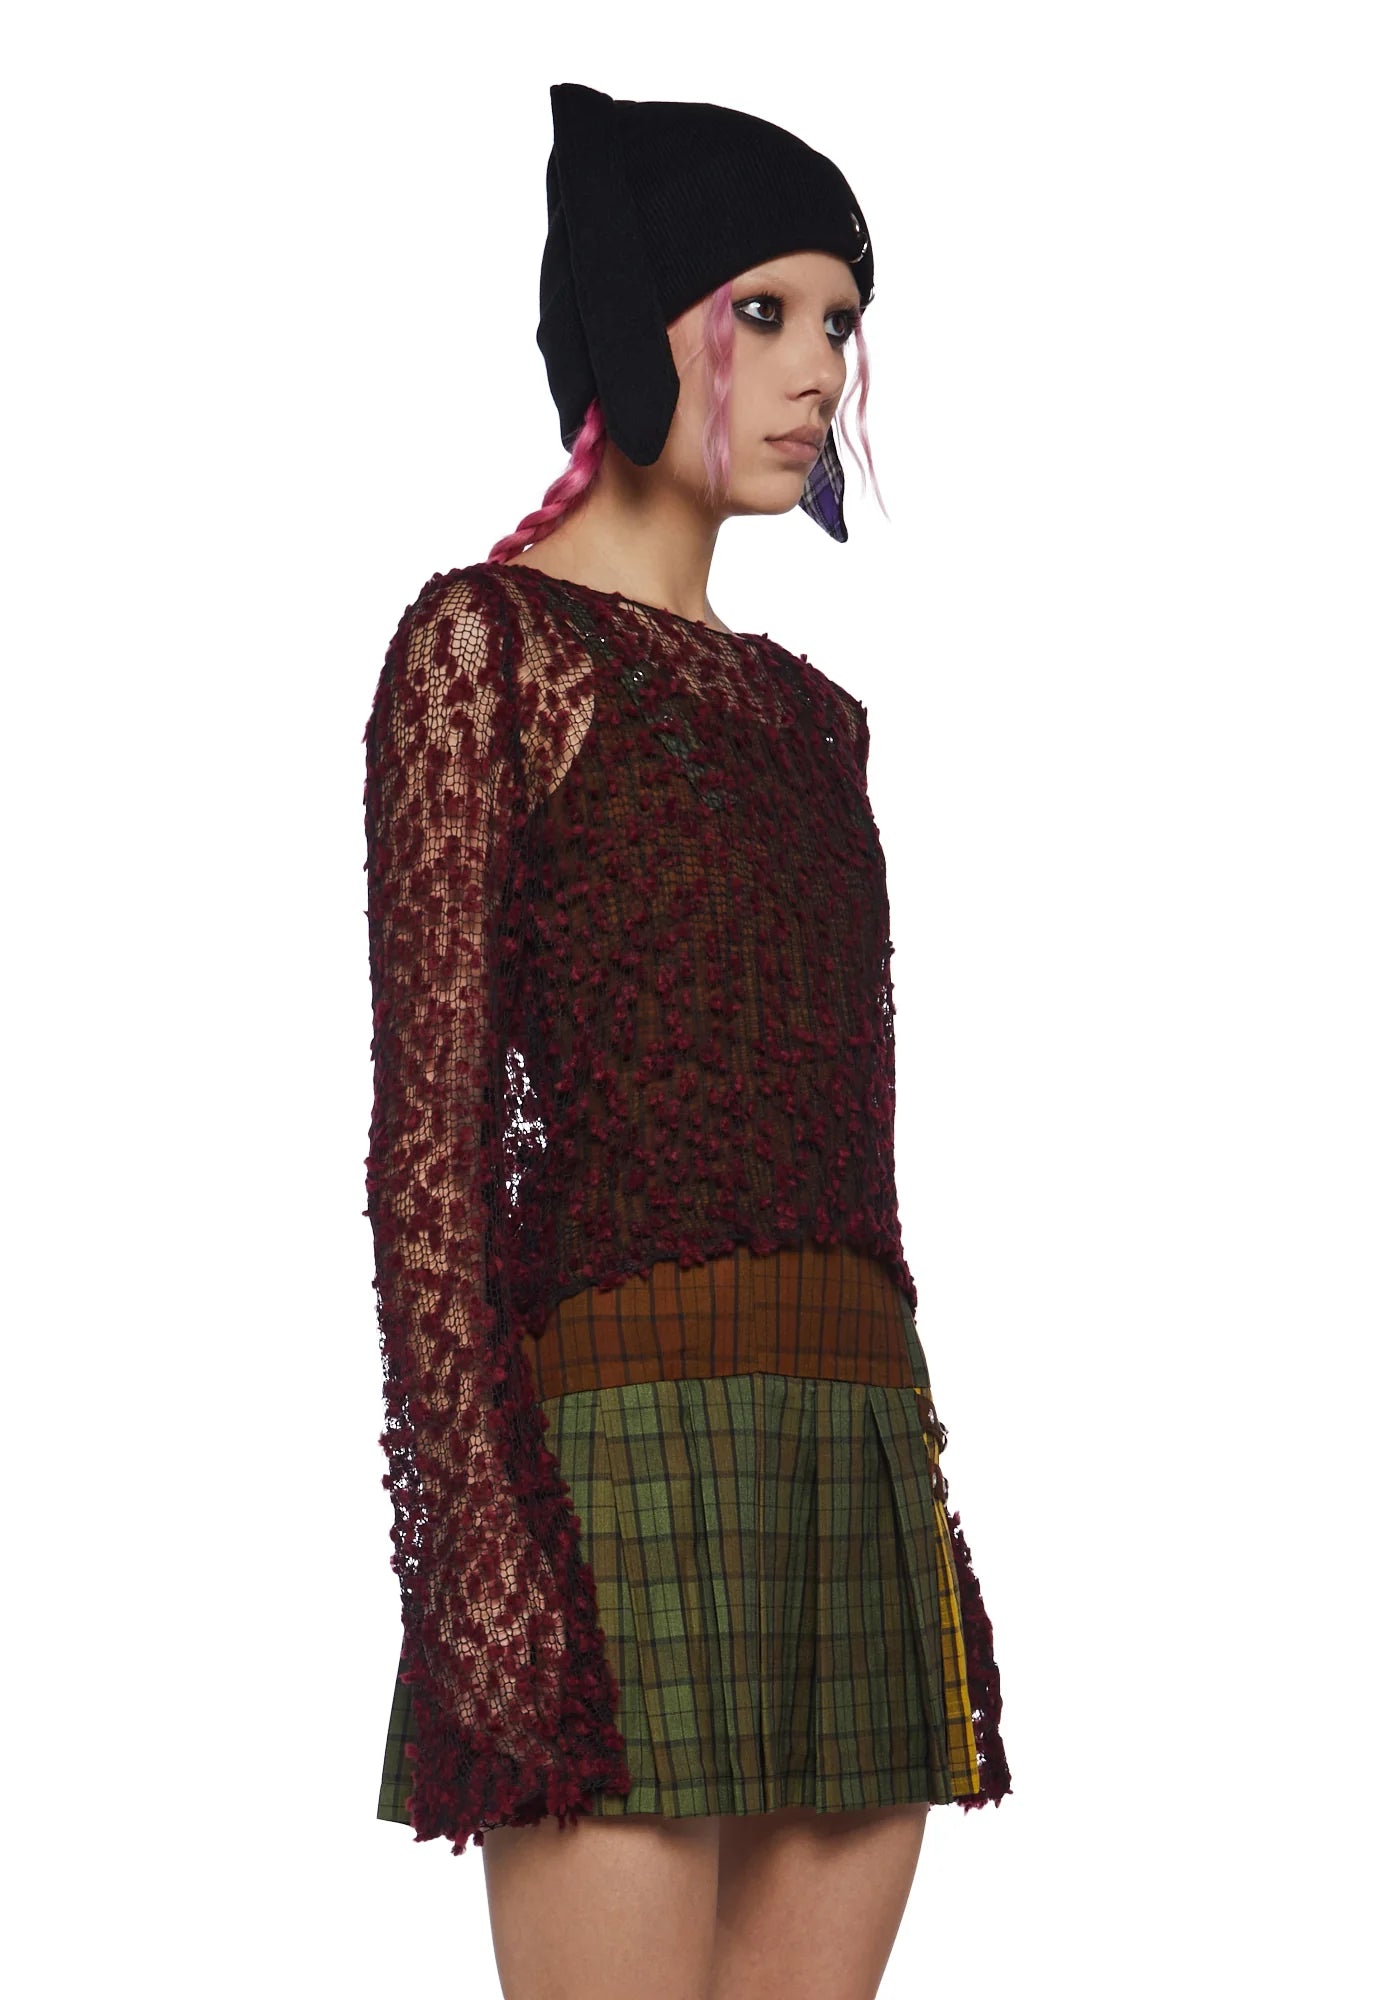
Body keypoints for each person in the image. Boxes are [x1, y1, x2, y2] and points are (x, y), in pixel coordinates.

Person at [363, 81, 1011, 2000]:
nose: (820, 366)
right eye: (766, 311)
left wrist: (916, 1505)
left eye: (841, 319)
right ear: (637, 316)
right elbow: (428, 1159)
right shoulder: (487, 654)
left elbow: (847, 1153)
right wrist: (482, 1558)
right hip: (613, 1458)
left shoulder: (816, 724)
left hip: (850, 1447)